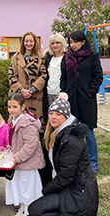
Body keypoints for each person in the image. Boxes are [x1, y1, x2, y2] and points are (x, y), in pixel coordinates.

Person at [27, 97, 99, 216]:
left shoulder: (71, 140)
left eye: (58, 114)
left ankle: (71, 212)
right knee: (36, 204)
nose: (53, 117)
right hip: (66, 183)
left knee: (35, 210)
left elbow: (67, 177)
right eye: (51, 113)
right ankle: (66, 209)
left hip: (78, 189)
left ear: (66, 116)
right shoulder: (56, 133)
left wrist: (45, 191)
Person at [60, 30, 104, 171]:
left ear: (83, 42)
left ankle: (93, 165)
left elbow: (98, 76)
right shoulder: (66, 57)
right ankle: (76, 162)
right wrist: (65, 92)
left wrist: (90, 93)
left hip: (86, 100)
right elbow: (64, 78)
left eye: (75, 42)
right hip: (71, 99)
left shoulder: (93, 56)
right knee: (72, 131)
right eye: (71, 42)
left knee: (88, 131)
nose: (72, 45)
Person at [5, 92, 44, 216]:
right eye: (9, 107)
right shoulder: (12, 119)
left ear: (23, 107)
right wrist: (9, 151)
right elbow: (12, 140)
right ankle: (22, 211)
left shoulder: (27, 123)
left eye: (15, 107)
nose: (11, 110)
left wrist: (17, 157)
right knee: (20, 189)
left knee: (27, 191)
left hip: (27, 163)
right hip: (18, 162)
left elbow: (31, 145)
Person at [39, 33, 68, 186]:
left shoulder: (67, 57)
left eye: (57, 43)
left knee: (62, 125)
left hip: (62, 94)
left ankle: (62, 154)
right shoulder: (48, 58)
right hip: (49, 94)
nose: (55, 46)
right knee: (51, 123)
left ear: (62, 44)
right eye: (53, 43)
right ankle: (51, 152)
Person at [8, 31, 46, 120]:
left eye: (31, 41)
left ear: (35, 43)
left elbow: (44, 75)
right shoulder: (15, 57)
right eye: (26, 41)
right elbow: (11, 74)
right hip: (18, 96)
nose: (29, 44)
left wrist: (31, 90)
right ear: (23, 42)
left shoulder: (41, 57)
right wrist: (22, 90)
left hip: (35, 97)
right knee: (17, 121)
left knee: (34, 122)